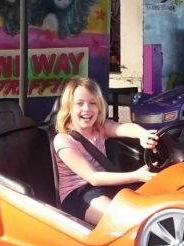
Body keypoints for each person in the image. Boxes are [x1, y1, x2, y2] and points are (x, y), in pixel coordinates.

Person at [53, 77, 158, 225]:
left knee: (150, 209)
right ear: (69, 108)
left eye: (92, 103)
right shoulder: (63, 140)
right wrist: (137, 176)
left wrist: (143, 134)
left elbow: (123, 128)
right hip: (79, 193)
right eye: (79, 104)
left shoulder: (100, 128)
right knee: (121, 221)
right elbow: (93, 177)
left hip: (106, 186)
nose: (87, 109)